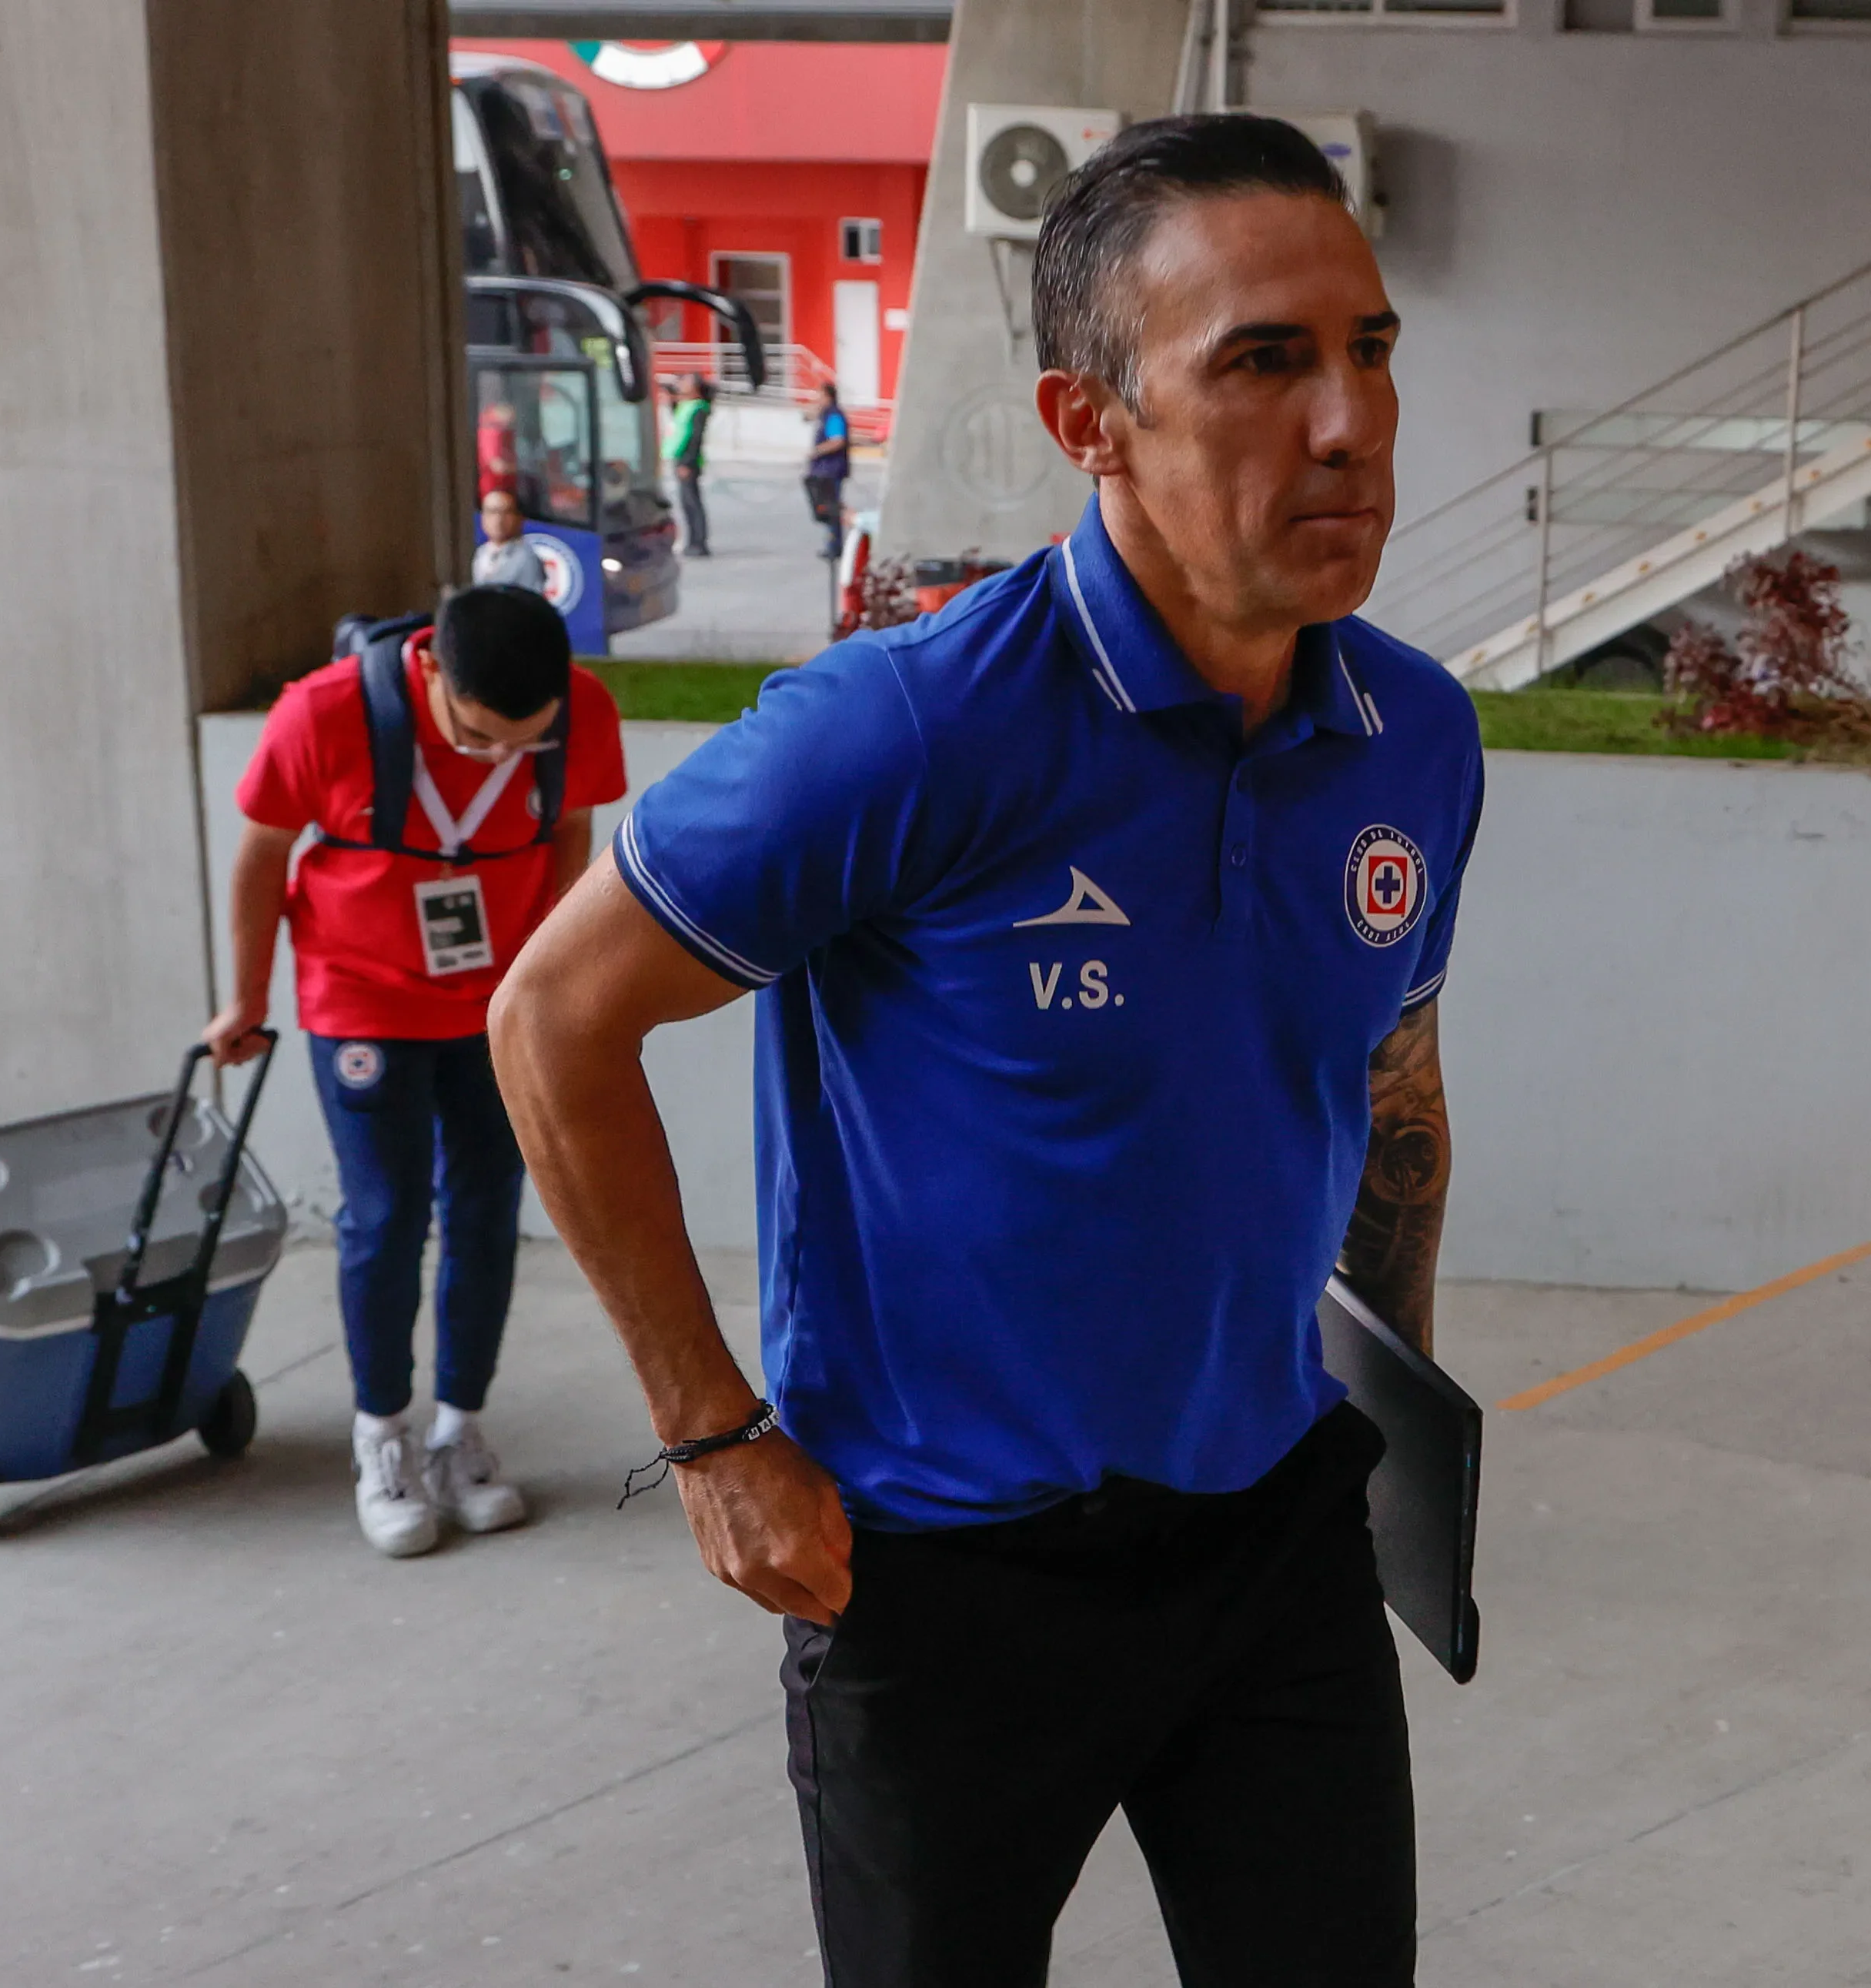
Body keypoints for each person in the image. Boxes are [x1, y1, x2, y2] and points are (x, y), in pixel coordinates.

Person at [491, 115, 1478, 1985]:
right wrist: (712, 1435)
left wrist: (1398, 1430)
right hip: (939, 1572)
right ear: (1087, 420)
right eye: (1263, 362)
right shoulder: (911, 731)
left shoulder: (1412, 736)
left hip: (1273, 1529)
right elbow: (550, 1016)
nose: (1348, 423)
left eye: (1368, 349)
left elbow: (1388, 1089)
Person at [206, 586, 627, 1558]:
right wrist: (246, 1001)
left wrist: (549, 983)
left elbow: (569, 830)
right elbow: (262, 854)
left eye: (526, 742)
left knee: (486, 1211)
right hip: (361, 998)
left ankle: (458, 1431)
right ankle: (382, 1435)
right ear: (431, 669)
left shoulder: (581, 712)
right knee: (386, 1216)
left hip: (496, 1005)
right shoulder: (321, 714)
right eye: (477, 739)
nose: (500, 760)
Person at [662, 373, 713, 557]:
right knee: (685, 503)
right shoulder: (685, 406)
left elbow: (695, 439)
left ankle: (699, 542)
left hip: (688, 460)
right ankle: (692, 541)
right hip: (680, 457)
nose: (682, 385)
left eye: (686, 382)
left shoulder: (699, 408)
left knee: (692, 502)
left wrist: (687, 463)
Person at [804, 379, 851, 558]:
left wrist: (817, 451)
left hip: (831, 470)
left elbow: (837, 441)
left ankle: (835, 546)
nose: (818, 399)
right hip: (826, 470)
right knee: (828, 508)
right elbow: (806, 416)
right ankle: (833, 544)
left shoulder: (834, 416)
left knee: (832, 509)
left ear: (828, 397)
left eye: (820, 395)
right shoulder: (826, 415)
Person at [471, 488, 543, 591]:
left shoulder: (526, 557)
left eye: (506, 512)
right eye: (492, 512)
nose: (499, 520)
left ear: (519, 518)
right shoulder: (481, 553)